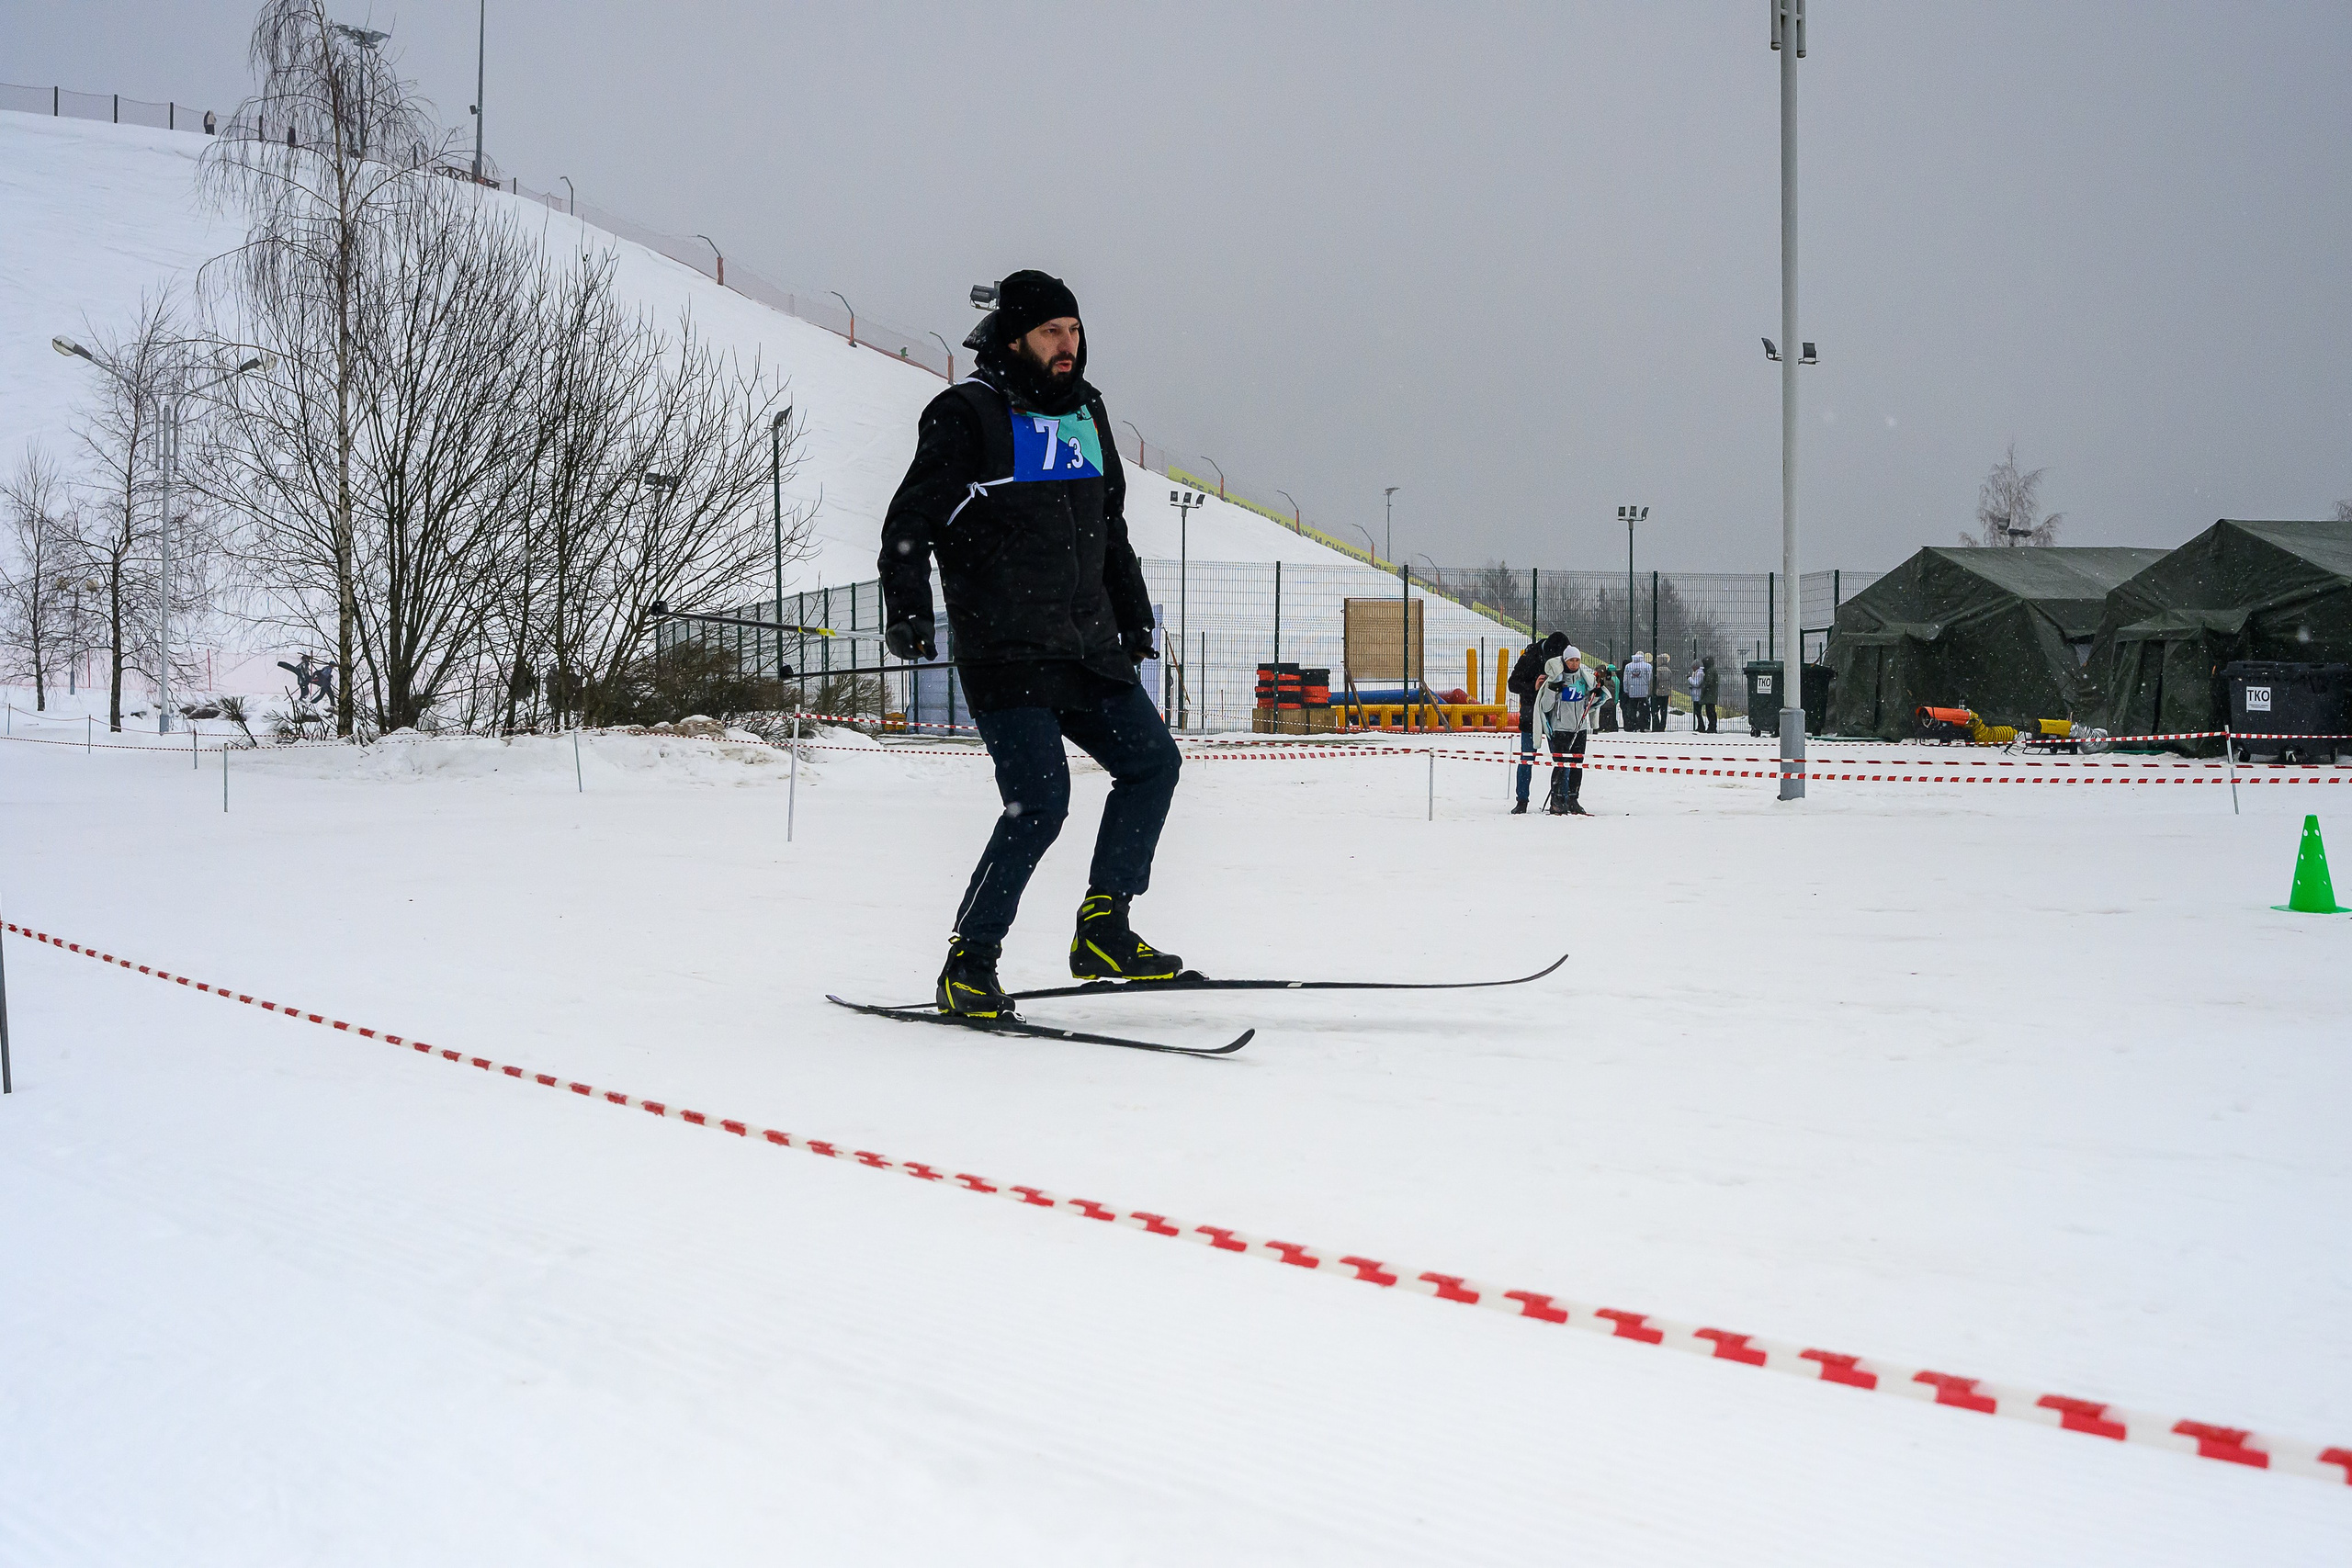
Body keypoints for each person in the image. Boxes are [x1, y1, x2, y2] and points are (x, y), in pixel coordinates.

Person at [879, 270, 1181, 1019]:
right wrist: (909, 607)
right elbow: (911, 520)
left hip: (1085, 648)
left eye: (1074, 330)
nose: (1068, 345)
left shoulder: (1086, 413)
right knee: (1040, 802)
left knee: (1152, 764)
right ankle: (968, 963)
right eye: (1052, 332)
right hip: (1005, 649)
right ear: (1014, 337)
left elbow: (1109, 527)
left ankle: (1104, 929)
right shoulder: (966, 415)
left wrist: (1133, 615)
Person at [1534, 643, 1600, 815]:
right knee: (1561, 765)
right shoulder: (1556, 678)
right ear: (1565, 661)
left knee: (1577, 765)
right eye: (1571, 660)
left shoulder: (1584, 679)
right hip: (1560, 727)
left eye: (1577, 660)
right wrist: (1552, 689)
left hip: (1579, 728)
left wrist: (1596, 694)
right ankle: (1557, 800)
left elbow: (1589, 704)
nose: (1574, 664)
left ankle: (1573, 799)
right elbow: (1546, 707)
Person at [1507, 632, 1566, 814]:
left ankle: (1560, 799)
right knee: (1527, 758)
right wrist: (1533, 686)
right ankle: (1522, 800)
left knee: (1562, 759)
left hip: (1556, 715)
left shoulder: (1565, 657)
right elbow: (1512, 684)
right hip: (1530, 714)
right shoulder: (1529, 656)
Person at [1622, 650, 1652, 733]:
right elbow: (1650, 679)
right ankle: (1644, 726)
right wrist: (1649, 690)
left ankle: (1632, 725)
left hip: (1632, 692)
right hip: (1643, 691)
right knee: (1644, 710)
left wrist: (1626, 690)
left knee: (1632, 710)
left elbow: (1625, 680)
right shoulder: (1648, 666)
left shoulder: (1628, 666)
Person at [1698, 656, 1721, 733]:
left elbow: (1708, 682)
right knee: (1712, 711)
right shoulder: (1712, 670)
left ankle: (1712, 727)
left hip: (1709, 694)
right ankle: (1713, 726)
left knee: (1710, 711)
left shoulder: (1710, 671)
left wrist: (1703, 689)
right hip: (1712, 694)